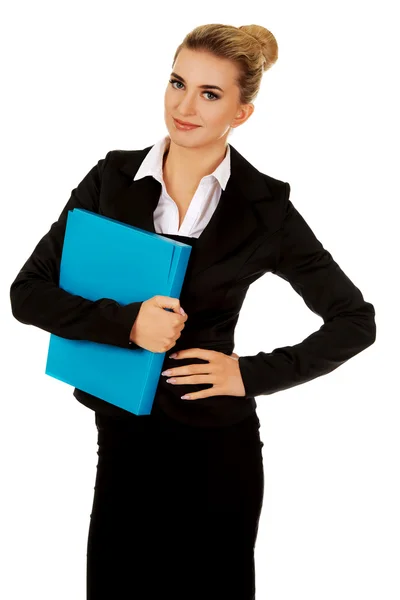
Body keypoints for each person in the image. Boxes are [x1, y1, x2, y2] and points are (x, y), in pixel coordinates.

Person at [9, 23, 376, 600]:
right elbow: (27, 292)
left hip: (217, 451)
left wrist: (247, 373)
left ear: (242, 112)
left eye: (210, 93)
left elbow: (355, 320)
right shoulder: (111, 178)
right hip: (124, 445)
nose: (184, 106)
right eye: (177, 83)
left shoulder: (264, 208)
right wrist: (127, 323)